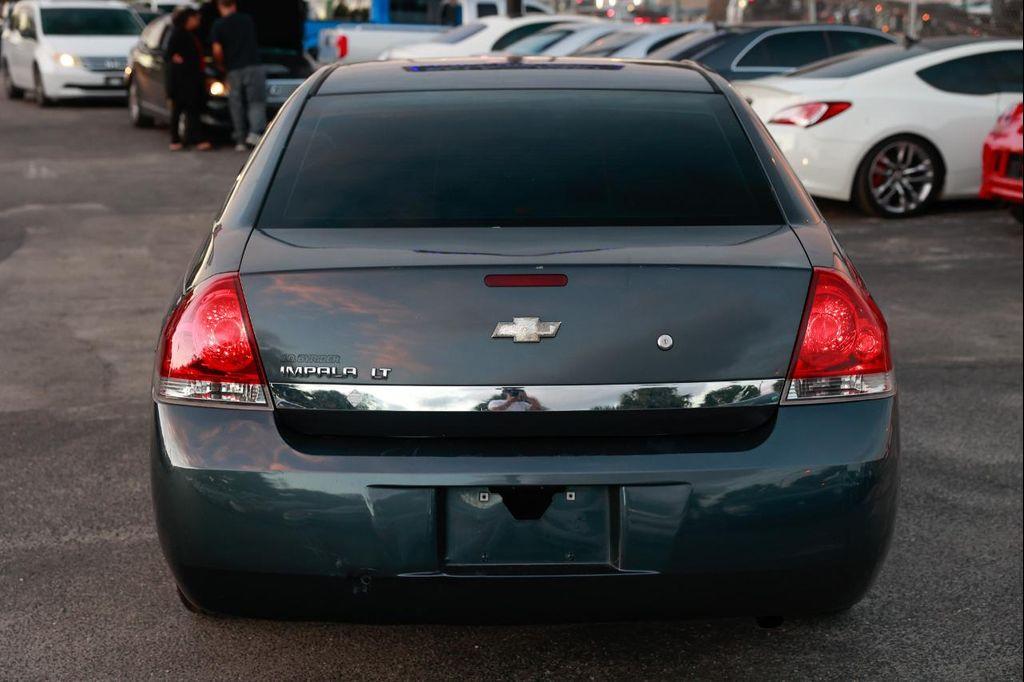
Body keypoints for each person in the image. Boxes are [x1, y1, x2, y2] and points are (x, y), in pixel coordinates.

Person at [210, 0, 265, 151]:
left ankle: (240, 140)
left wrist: (221, 66)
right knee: (256, 102)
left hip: (233, 69)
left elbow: (217, 50)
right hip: (254, 66)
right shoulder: (247, 20)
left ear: (220, 7)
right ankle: (255, 134)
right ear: (234, 5)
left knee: (236, 104)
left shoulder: (218, 25)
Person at [165, 8, 211, 151]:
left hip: (190, 79)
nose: (198, 21)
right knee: (182, 110)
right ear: (188, 19)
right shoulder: (178, 35)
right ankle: (179, 139)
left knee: (190, 110)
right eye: (196, 18)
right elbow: (170, 56)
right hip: (182, 81)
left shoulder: (191, 34)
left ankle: (189, 138)